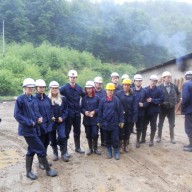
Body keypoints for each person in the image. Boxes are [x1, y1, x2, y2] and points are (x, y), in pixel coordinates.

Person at [14, 78, 57, 180]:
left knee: (31, 149)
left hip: (35, 128)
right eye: (28, 87)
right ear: (24, 88)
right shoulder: (20, 99)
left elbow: (36, 112)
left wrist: (38, 118)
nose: (31, 89)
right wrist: (30, 122)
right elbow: (17, 115)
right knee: (41, 148)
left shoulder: (33, 99)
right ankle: (48, 170)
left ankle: (28, 172)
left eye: (32, 87)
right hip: (27, 130)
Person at [60, 70, 85, 155]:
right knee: (67, 132)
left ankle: (77, 147)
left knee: (77, 131)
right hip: (68, 114)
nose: (73, 78)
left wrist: (84, 107)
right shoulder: (64, 88)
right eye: (71, 77)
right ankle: (65, 150)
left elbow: (84, 96)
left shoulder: (79, 88)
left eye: (74, 77)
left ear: (76, 78)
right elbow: (55, 94)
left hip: (77, 113)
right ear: (68, 78)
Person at [97, 83, 124, 160]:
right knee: (107, 138)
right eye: (109, 90)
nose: (110, 92)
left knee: (115, 138)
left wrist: (121, 121)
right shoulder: (102, 100)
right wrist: (99, 121)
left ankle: (116, 150)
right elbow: (100, 111)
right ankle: (109, 150)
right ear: (106, 90)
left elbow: (120, 111)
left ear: (113, 91)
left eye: (112, 90)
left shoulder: (116, 100)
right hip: (105, 123)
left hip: (114, 123)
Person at [34, 79, 54, 169]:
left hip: (48, 125)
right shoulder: (34, 100)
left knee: (46, 143)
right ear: (36, 88)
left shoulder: (47, 99)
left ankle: (44, 160)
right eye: (40, 87)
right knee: (40, 144)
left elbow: (50, 110)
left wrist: (51, 119)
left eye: (43, 87)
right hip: (40, 126)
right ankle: (41, 162)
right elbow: (35, 113)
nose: (42, 89)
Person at [157, 71, 180, 144]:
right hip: (162, 108)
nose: (169, 78)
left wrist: (177, 100)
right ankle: (159, 137)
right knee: (160, 123)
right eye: (168, 77)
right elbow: (156, 97)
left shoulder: (174, 86)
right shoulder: (159, 87)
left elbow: (179, 93)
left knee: (172, 124)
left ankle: (172, 138)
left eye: (170, 77)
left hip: (171, 108)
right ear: (163, 78)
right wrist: (160, 103)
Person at [48, 81, 69, 162]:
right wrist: (50, 117)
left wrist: (63, 118)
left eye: (56, 88)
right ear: (50, 89)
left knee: (62, 136)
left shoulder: (63, 98)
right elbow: (46, 110)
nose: (54, 90)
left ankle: (63, 153)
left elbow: (66, 110)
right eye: (53, 88)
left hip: (60, 121)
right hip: (51, 122)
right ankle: (55, 152)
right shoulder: (47, 99)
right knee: (52, 138)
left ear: (58, 89)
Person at [116, 79, 137, 153]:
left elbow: (135, 106)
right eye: (125, 85)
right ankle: (120, 146)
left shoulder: (133, 94)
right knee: (121, 131)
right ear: (122, 85)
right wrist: (121, 112)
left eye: (128, 85)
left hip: (130, 116)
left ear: (130, 86)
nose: (126, 86)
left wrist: (134, 117)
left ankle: (126, 144)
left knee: (128, 131)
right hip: (121, 116)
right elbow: (117, 104)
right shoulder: (118, 94)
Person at [143, 75, 164, 146]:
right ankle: (143, 139)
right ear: (150, 81)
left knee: (153, 126)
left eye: (155, 81)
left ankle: (151, 140)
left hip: (154, 112)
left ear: (157, 82)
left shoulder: (159, 91)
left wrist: (152, 100)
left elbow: (161, 100)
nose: (153, 82)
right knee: (144, 125)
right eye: (152, 81)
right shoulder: (145, 89)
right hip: (145, 111)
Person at [81, 81, 101, 155]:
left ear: (93, 89)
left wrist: (94, 111)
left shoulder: (97, 98)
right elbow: (81, 108)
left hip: (95, 120)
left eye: (90, 88)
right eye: (87, 89)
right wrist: (85, 112)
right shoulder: (84, 98)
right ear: (85, 89)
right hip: (87, 120)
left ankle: (95, 148)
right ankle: (90, 148)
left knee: (95, 133)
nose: (89, 90)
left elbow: (100, 108)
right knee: (88, 133)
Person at [132, 74, 149, 148]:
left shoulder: (144, 91)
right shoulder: (131, 90)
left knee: (139, 128)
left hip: (141, 113)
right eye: (137, 81)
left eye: (140, 81)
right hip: (132, 113)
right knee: (129, 127)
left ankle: (138, 141)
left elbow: (148, 101)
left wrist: (144, 104)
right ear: (134, 81)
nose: (138, 82)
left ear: (141, 81)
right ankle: (126, 141)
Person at [181, 71, 192, 152]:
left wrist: (183, 108)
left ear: (186, 77)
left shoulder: (186, 84)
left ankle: (191, 146)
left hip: (189, 110)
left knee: (189, 128)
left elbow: (185, 98)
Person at [94, 76, 106, 146]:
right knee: (95, 130)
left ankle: (103, 142)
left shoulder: (104, 92)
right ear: (94, 83)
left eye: (100, 83)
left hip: (103, 113)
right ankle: (95, 144)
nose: (99, 84)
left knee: (103, 129)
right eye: (97, 83)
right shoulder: (92, 92)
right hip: (94, 114)